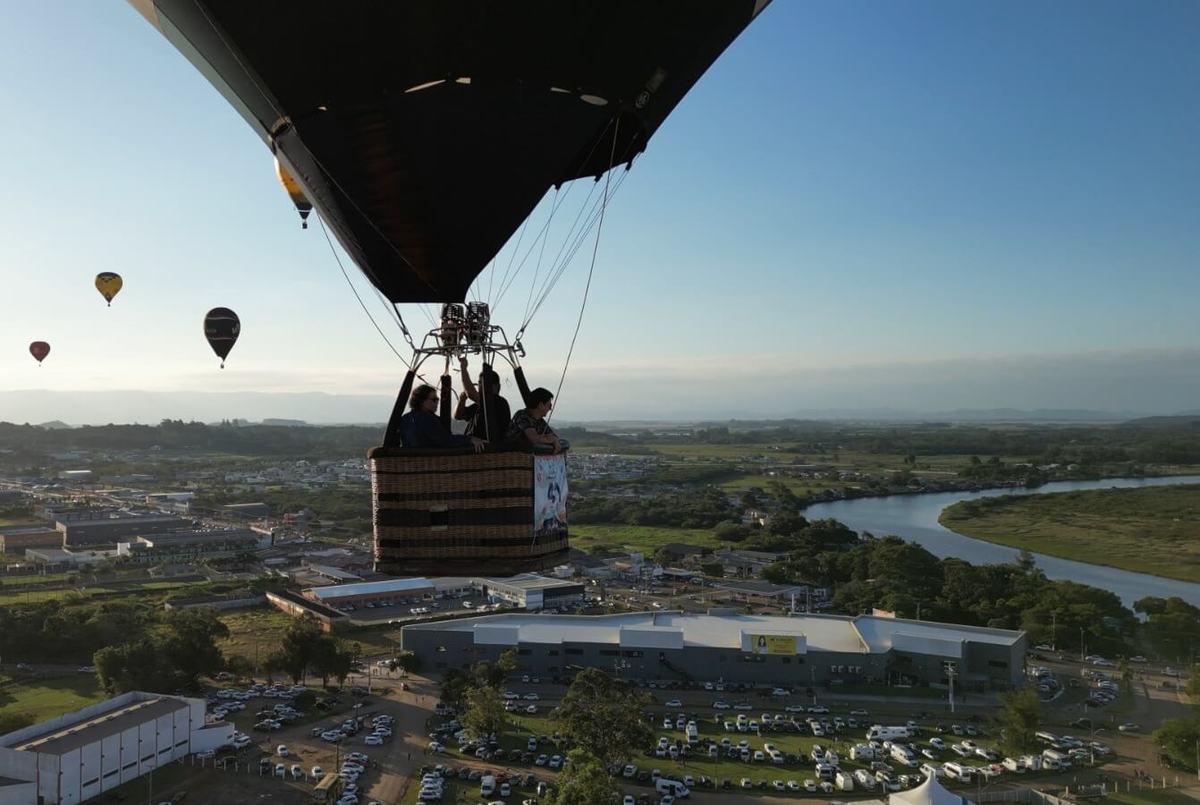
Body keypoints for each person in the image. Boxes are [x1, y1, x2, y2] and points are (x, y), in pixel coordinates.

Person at [400, 384, 485, 451]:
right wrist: (470, 439)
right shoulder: (427, 419)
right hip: (429, 462)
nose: (437, 402)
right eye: (434, 399)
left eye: (437, 399)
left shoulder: (405, 418)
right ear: (422, 401)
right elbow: (445, 441)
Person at [455, 357, 511, 442]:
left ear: (496, 386)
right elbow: (458, 416)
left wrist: (463, 368)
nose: (480, 387)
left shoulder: (499, 402)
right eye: (479, 383)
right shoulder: (480, 405)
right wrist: (462, 400)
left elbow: (470, 393)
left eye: (483, 383)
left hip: (486, 447)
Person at [505, 386, 562, 451]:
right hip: (514, 456)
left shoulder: (540, 421)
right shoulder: (522, 416)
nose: (550, 409)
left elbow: (554, 436)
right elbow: (534, 438)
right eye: (549, 405)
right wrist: (550, 439)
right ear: (541, 405)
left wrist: (553, 439)